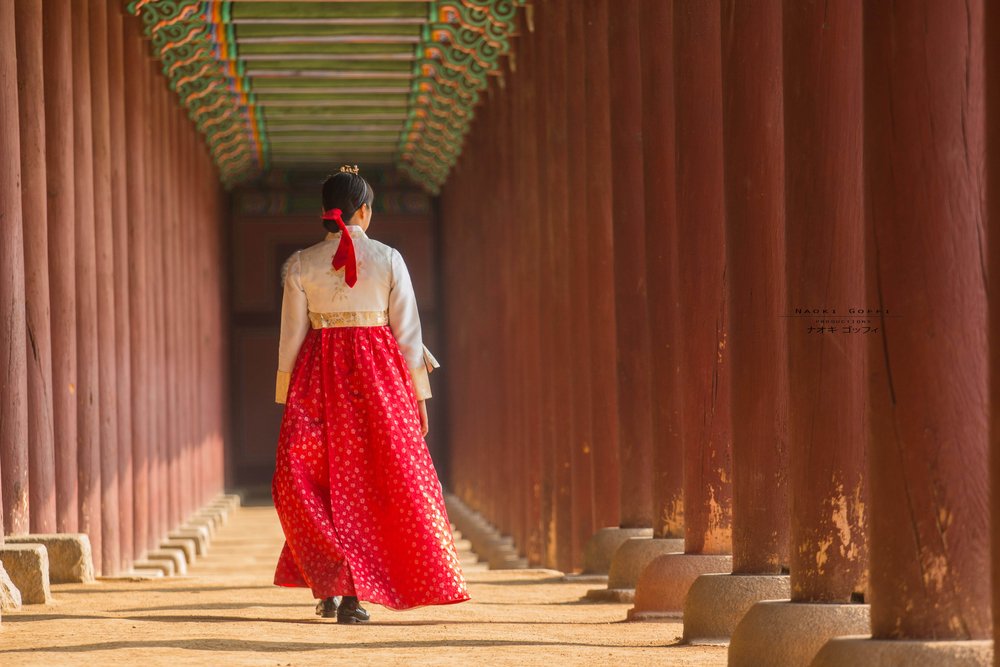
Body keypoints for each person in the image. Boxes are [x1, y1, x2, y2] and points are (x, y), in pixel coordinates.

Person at [270, 165, 469, 624]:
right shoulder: (390, 258)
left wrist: (286, 394)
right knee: (374, 482)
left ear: (326, 212)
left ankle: (336, 582)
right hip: (380, 379)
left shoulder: (301, 264)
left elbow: (291, 338)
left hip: (318, 377)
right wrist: (418, 395)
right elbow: (409, 334)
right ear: (364, 210)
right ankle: (346, 588)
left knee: (309, 481)